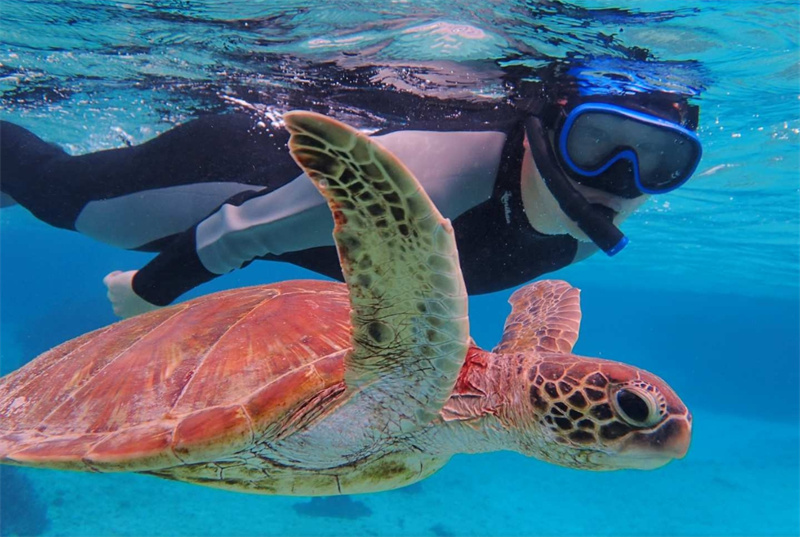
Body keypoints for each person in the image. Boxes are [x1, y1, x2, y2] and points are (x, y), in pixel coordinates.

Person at [0, 77, 702, 318]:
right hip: (240, 175)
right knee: (76, 207)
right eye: (596, 141)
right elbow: (239, 232)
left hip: (293, 231)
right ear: (545, 127)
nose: (617, 178)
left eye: (663, 164)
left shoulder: (584, 232)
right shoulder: (427, 174)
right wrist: (149, 291)